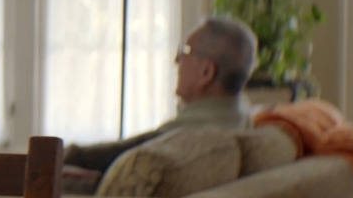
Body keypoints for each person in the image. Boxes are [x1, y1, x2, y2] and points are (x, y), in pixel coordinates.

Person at [63, 16, 259, 174]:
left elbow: (87, 158)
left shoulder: (179, 138)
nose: (176, 60)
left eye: (185, 51)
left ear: (206, 72)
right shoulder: (241, 121)